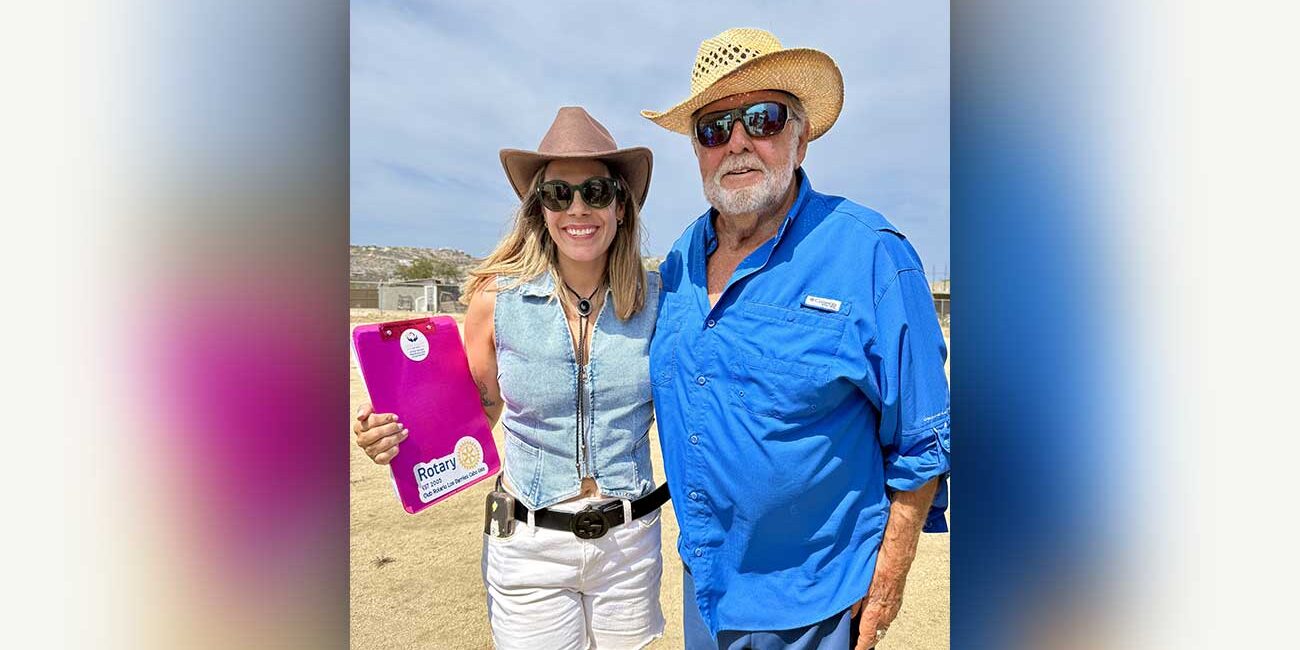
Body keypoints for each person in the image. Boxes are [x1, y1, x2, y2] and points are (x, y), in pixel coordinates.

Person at [641, 28, 951, 649]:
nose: (737, 142)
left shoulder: (872, 256)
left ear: (801, 136)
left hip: (820, 605)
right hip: (708, 591)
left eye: (762, 118)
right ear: (698, 151)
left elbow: (923, 441)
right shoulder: (678, 260)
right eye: (713, 127)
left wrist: (886, 587)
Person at [352, 106, 669, 650]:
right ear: (538, 209)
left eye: (595, 191)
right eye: (557, 194)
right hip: (529, 548)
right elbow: (480, 406)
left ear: (620, 205)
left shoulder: (658, 301)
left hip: (629, 545)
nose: (577, 208)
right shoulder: (495, 301)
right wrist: (399, 433)